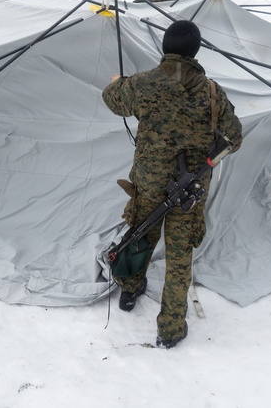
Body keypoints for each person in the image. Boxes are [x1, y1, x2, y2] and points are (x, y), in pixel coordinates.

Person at [102, 20, 243, 348]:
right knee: (180, 257)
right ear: (195, 51)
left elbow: (112, 99)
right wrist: (209, 160)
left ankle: (130, 288)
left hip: (150, 183)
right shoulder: (212, 92)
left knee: (140, 236)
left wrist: (117, 83)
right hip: (189, 195)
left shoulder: (144, 83)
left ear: (166, 48)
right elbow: (233, 137)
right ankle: (171, 327)